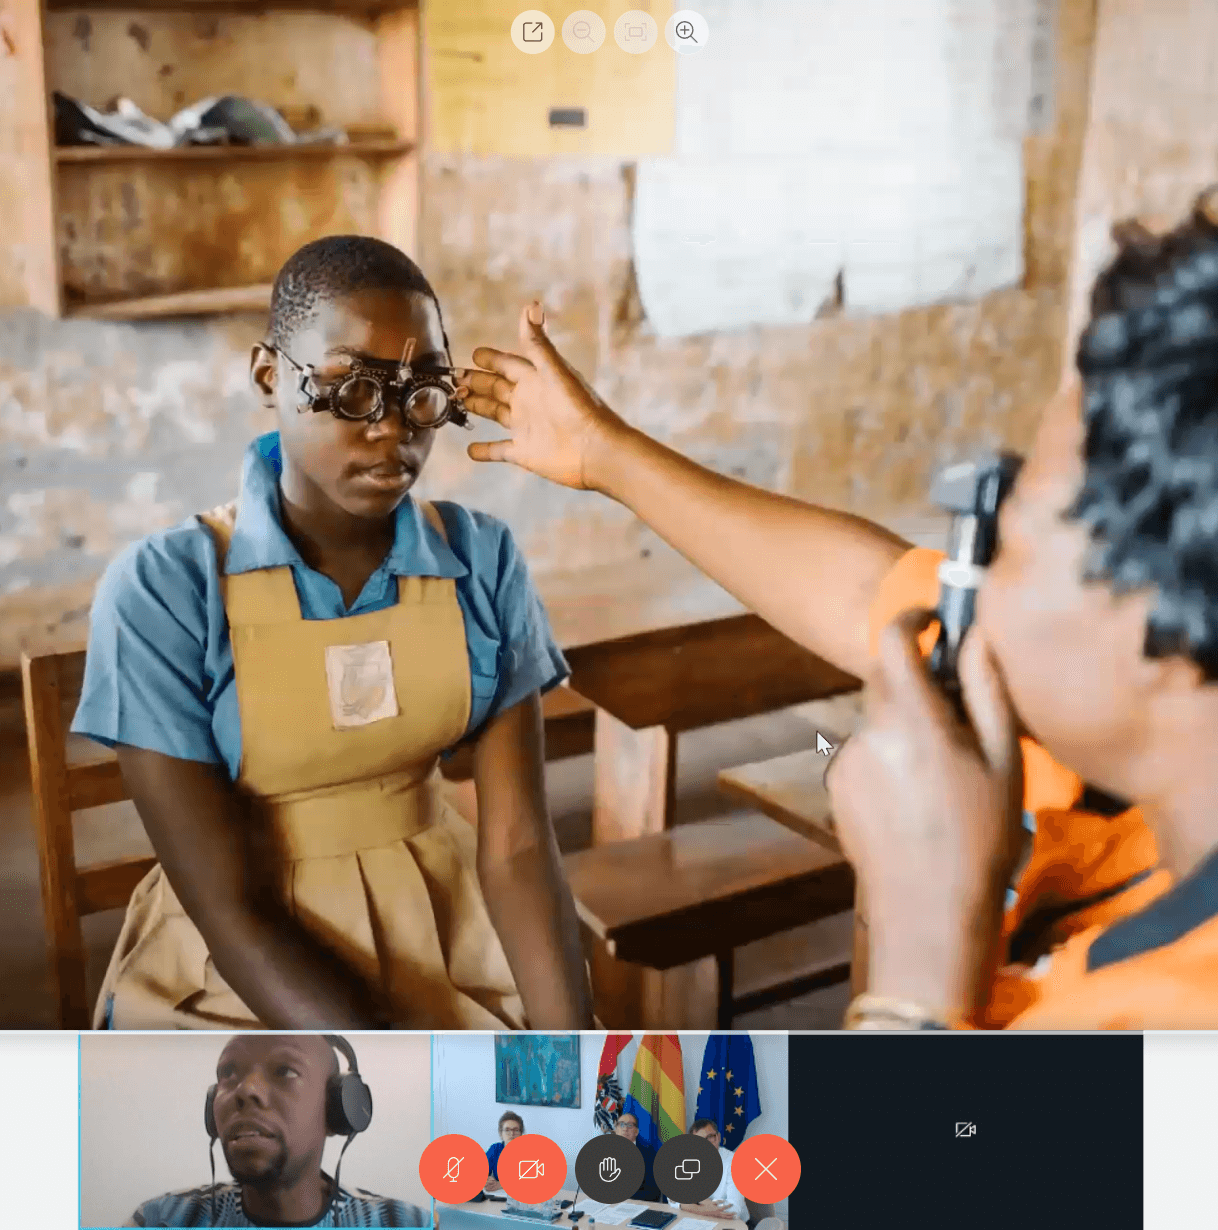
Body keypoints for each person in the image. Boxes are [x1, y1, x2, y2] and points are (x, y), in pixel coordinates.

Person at [453, 291, 1159, 1025]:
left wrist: (922, 946)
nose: (997, 587)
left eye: (1042, 537)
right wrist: (605, 453)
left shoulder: (1181, 1003)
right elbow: (864, 592)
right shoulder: (1122, 739)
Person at [72, 235, 593, 1032]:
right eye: (353, 390)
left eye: (422, 394)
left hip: (451, 927)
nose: (393, 432)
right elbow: (228, 906)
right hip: (246, 972)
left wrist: (573, 1056)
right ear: (269, 376)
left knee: (553, 1121)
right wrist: (382, 1066)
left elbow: (517, 848)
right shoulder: (168, 588)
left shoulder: (479, 559)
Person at [823, 180, 1218, 1029]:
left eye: (1011, 539)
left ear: (1159, 627)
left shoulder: (1176, 1022)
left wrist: (917, 964)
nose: (975, 587)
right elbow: (864, 584)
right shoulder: (1145, 866)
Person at [124, 1033, 430, 1227]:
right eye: (228, 1073)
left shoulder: (408, 1224)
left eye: (285, 1071)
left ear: (338, 1110)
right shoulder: (162, 1220)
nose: (246, 1090)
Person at [682, 1119, 749, 1224]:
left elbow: (735, 1210)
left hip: (734, 1224)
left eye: (710, 1137)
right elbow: (673, 1200)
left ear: (718, 1137)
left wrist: (694, 1203)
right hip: (700, 1220)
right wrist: (702, 1206)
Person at [612, 1112, 663, 1204]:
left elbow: (653, 1193)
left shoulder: (650, 1154)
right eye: (621, 1124)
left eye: (630, 1125)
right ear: (616, 1130)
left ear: (636, 1131)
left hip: (638, 1206)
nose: (625, 1128)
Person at [484, 1112, 523, 1193]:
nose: (512, 1134)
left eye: (516, 1130)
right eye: (507, 1130)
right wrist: (486, 1180)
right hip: (499, 1196)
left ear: (521, 1133)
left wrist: (500, 1184)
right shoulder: (495, 1149)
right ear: (501, 1134)